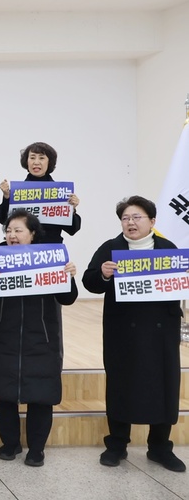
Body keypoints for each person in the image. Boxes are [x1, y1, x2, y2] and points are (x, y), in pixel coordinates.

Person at [82, 196, 186, 473]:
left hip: (161, 331)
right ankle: (117, 444)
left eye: (137, 217)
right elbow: (89, 282)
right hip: (122, 331)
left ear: (152, 221)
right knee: (120, 384)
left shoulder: (167, 248)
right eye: (126, 218)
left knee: (164, 385)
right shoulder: (111, 247)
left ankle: (160, 447)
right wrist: (103, 274)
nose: (130, 222)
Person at [0, 209, 78, 468]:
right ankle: (10, 444)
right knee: (3, 393)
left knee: (40, 395)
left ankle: (37, 449)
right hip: (4, 335)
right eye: (8, 230)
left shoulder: (50, 258)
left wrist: (69, 275)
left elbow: (68, 298)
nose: (11, 235)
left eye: (18, 230)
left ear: (33, 234)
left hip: (40, 338)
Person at [0, 142, 81, 243]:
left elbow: (73, 230)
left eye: (41, 158)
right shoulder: (18, 192)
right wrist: (6, 197)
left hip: (50, 250)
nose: (36, 162)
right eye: (32, 158)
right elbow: (3, 220)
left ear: (49, 162)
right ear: (26, 161)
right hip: (22, 249)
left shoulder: (59, 193)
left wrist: (72, 209)